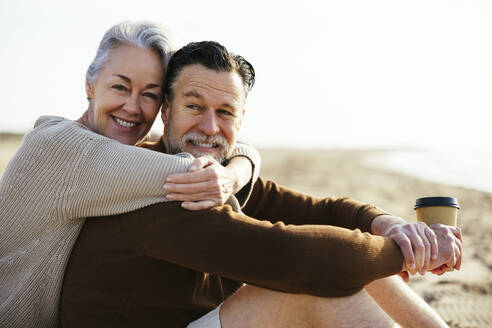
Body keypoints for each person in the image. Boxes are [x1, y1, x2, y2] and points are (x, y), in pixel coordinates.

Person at [60, 41, 463, 328]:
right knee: (313, 280)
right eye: (194, 107)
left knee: (349, 254)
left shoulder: (213, 177)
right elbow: (304, 259)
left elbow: (324, 210)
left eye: (225, 112)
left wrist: (390, 226)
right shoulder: (155, 184)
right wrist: (408, 252)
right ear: (166, 110)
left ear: (241, 119)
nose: (210, 127)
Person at [0, 23, 261, 328]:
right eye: (120, 87)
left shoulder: (113, 154)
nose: (133, 107)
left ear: (162, 106)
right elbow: (199, 171)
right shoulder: (64, 147)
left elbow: (230, 151)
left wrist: (237, 169)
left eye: (149, 95)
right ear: (90, 84)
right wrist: (233, 173)